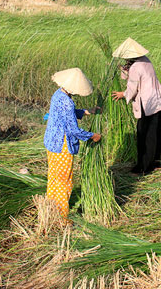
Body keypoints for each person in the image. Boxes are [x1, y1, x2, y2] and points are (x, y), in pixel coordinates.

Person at [44, 67, 101, 219]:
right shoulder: (67, 102)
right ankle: (62, 216)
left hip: (51, 142)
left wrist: (87, 111)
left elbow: (67, 113)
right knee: (64, 181)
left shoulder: (58, 94)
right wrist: (92, 136)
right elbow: (73, 130)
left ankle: (50, 208)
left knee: (54, 177)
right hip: (62, 145)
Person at [112, 38, 161, 174]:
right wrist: (124, 69)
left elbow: (132, 87)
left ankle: (144, 167)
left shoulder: (136, 67)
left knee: (145, 135)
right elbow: (131, 77)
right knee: (155, 133)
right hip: (158, 101)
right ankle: (155, 162)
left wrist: (122, 94)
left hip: (147, 104)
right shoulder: (145, 60)